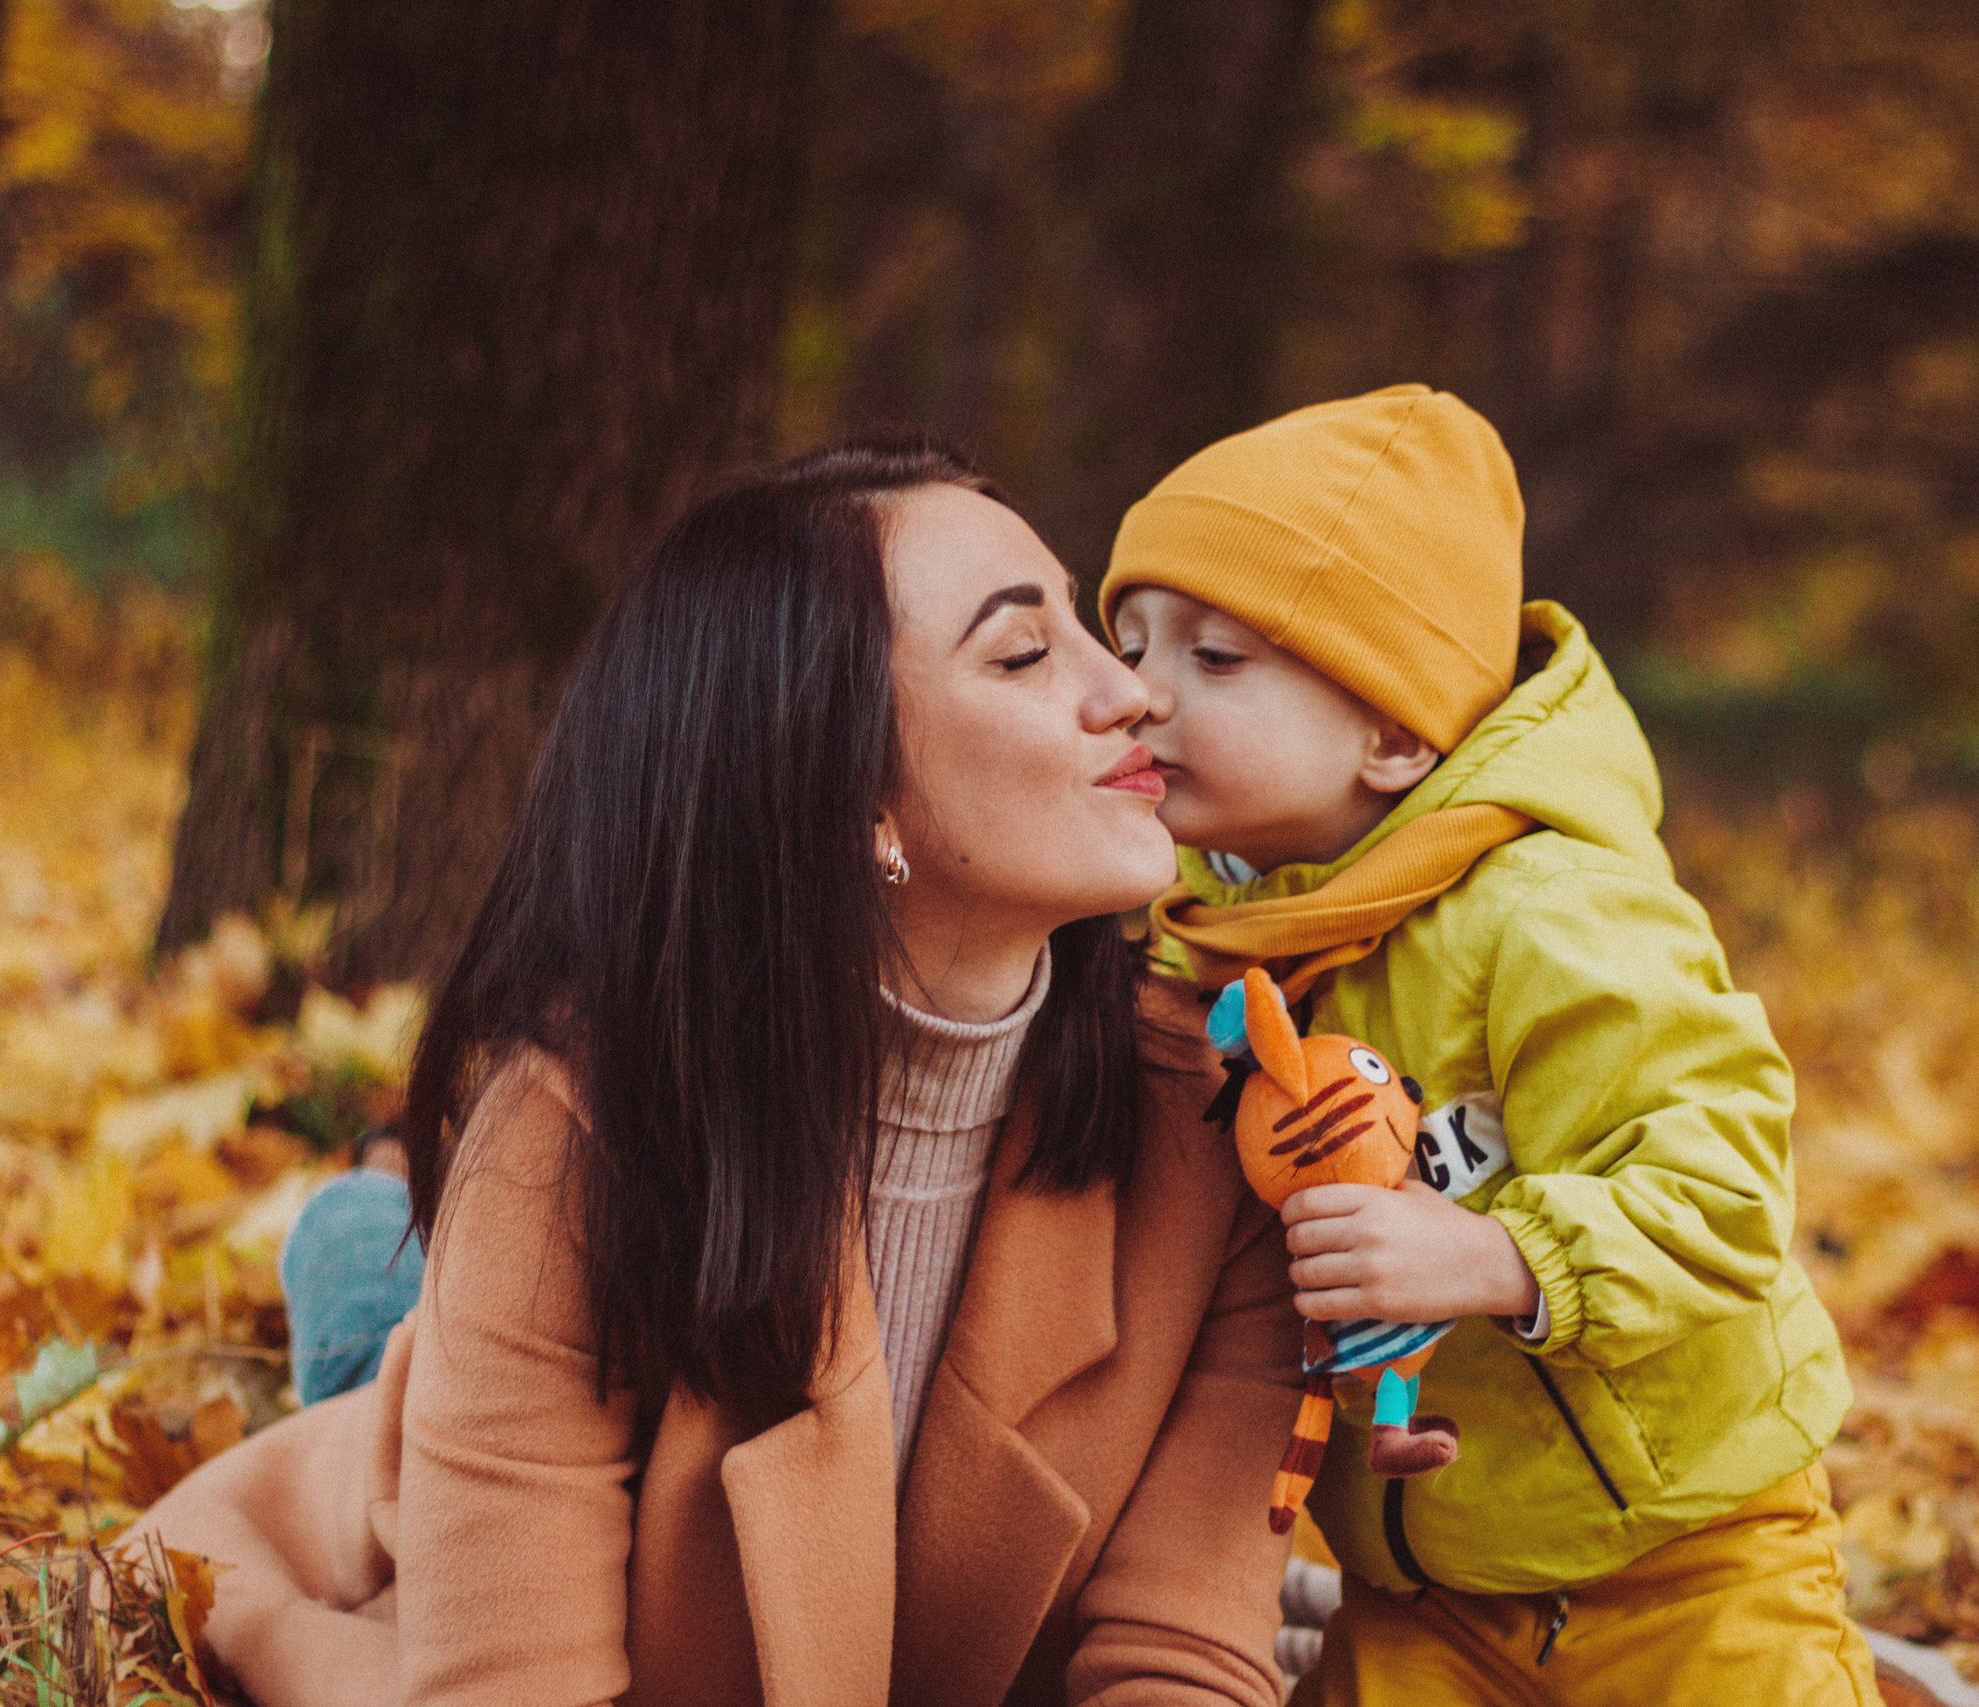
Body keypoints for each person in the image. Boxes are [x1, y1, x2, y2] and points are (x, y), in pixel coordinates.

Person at [127, 441, 1306, 1707]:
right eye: (1022, 654)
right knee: (379, 1349)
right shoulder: (579, 1131)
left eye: (1087, 630)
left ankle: (376, 1220)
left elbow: (1181, 1660)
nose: (1132, 696)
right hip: (437, 1475)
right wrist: (326, 1656)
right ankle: (366, 1239)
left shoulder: (1223, 1124)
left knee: (402, 1278)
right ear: (847, 790)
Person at [1101, 386, 1879, 1706]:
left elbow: (1726, 1178)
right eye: (1130, 641)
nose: (1137, 694)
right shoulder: (1214, 944)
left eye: (1215, 658)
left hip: (1686, 1554)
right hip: (1424, 1594)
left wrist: (1497, 1250)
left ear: (1397, 732)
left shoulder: (1549, 906)